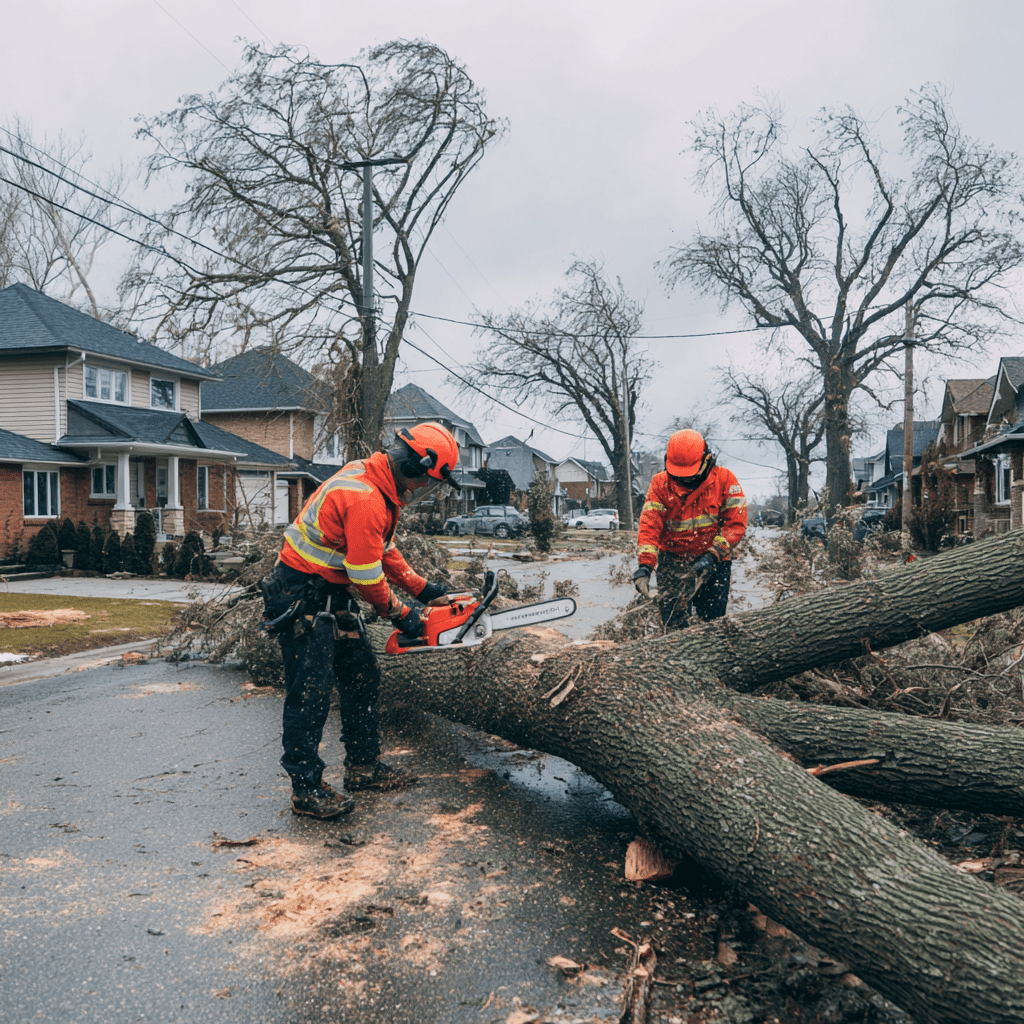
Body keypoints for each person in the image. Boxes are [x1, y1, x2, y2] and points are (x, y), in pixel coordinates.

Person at [260, 422, 459, 820]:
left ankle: (364, 767)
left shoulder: (375, 481)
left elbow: (381, 549)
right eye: (427, 480)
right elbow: (366, 574)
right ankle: (306, 788)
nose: (423, 488)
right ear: (415, 466)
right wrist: (404, 616)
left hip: (330, 592)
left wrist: (422, 589)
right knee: (310, 692)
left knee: (361, 675)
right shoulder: (366, 497)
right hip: (301, 593)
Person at [632, 429, 747, 630]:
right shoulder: (660, 484)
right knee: (673, 625)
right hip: (672, 561)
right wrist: (645, 566)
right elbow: (650, 525)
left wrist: (713, 555)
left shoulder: (724, 480)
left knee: (712, 625)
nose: (684, 480)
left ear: (706, 460)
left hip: (714, 562)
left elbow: (735, 524)